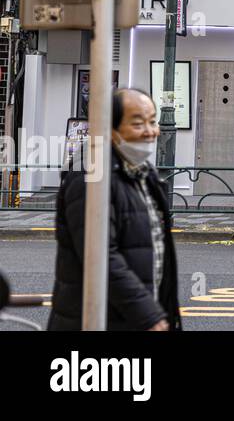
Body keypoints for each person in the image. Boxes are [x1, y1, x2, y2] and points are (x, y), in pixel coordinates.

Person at [49, 88, 182, 331]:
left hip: (129, 318)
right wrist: (149, 315)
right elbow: (100, 256)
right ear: (110, 129)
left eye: (153, 121)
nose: (150, 131)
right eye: (138, 123)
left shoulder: (142, 173)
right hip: (96, 322)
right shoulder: (91, 175)